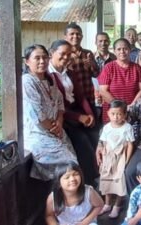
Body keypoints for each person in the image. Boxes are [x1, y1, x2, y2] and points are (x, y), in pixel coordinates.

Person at [48, 40, 99, 186]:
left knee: (96, 137)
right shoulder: (48, 75)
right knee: (82, 143)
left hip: (78, 112)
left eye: (68, 54)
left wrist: (90, 115)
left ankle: (96, 178)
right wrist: (79, 117)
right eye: (62, 54)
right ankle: (86, 183)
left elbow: (81, 96)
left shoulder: (70, 72)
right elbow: (59, 106)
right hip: (64, 117)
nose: (66, 57)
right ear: (52, 53)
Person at [22, 44, 77, 181]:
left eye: (45, 58)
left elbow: (59, 103)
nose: (42, 61)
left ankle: (69, 199)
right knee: (69, 166)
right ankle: (60, 199)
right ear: (27, 61)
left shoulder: (49, 78)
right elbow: (37, 114)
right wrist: (54, 129)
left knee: (72, 164)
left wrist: (59, 122)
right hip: (38, 134)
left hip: (56, 130)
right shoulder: (27, 81)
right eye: (37, 58)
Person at [96, 100, 134, 218]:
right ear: (108, 113)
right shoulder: (106, 127)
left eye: (119, 114)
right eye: (113, 114)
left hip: (120, 158)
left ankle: (117, 206)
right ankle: (107, 204)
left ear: (124, 115)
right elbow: (103, 143)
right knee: (107, 181)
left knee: (119, 182)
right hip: (108, 158)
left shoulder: (127, 127)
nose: (116, 117)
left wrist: (127, 160)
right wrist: (101, 155)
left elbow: (130, 145)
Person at [98, 38, 141, 123]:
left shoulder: (137, 68)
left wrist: (131, 106)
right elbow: (103, 91)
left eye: (125, 49)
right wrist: (119, 108)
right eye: (119, 49)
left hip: (132, 111)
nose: (122, 51)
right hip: (113, 113)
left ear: (130, 50)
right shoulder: (108, 67)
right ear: (114, 51)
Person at [65, 22, 100, 110]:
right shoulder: (64, 54)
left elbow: (96, 74)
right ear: (65, 36)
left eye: (78, 34)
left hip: (88, 96)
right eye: (72, 34)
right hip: (71, 98)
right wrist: (68, 64)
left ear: (82, 36)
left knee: (91, 122)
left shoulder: (88, 53)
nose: (75, 36)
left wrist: (91, 65)